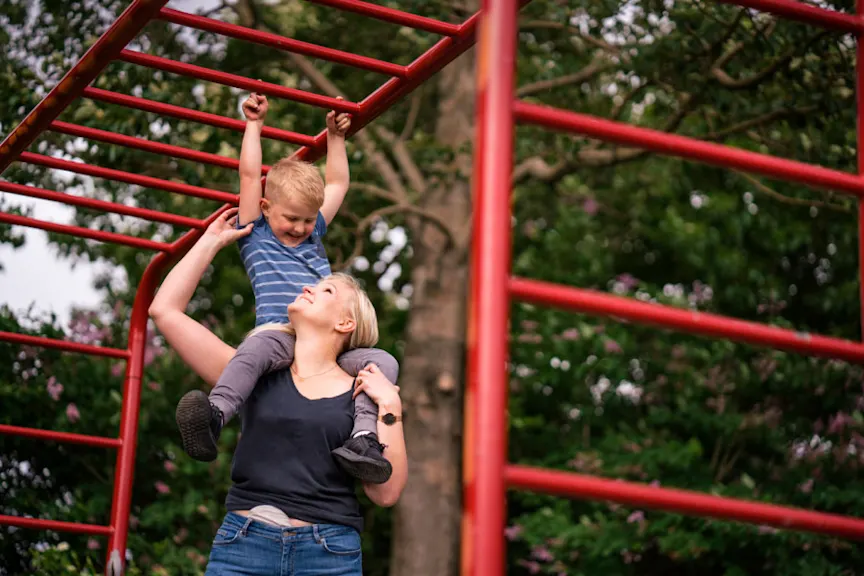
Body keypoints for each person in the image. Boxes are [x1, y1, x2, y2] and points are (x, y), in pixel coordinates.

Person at [149, 208, 407, 575]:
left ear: (345, 323)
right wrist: (211, 241)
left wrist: (390, 406)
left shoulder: (364, 389)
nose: (307, 287)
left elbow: (385, 494)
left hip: (329, 555)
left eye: (325, 289)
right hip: (244, 546)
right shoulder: (251, 371)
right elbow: (164, 311)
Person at [173, 93, 395, 483]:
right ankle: (216, 413)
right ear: (265, 206)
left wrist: (335, 138)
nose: (300, 228)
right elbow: (248, 174)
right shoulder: (256, 232)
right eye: (291, 218)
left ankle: (364, 438)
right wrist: (254, 125)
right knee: (252, 350)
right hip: (281, 332)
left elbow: (339, 183)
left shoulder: (313, 236)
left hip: (330, 342)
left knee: (384, 362)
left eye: (308, 220)